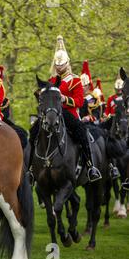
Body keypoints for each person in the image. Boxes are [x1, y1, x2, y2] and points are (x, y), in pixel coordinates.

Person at [28, 35, 101, 182]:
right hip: (50, 114)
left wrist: (64, 99)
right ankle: (30, 169)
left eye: (61, 64)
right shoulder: (51, 81)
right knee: (34, 131)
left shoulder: (75, 80)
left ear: (67, 63)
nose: (59, 67)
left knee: (81, 132)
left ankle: (91, 166)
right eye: (57, 64)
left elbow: (80, 102)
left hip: (69, 113)